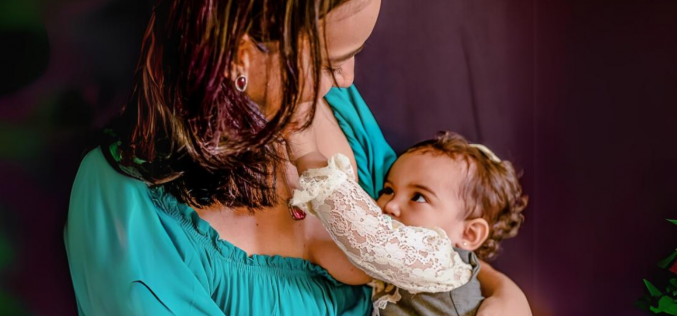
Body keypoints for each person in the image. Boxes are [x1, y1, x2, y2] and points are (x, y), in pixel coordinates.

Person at [64, 0, 531, 314]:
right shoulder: (125, 207)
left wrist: (505, 295)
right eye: (330, 60)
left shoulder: (339, 111)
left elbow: (421, 247)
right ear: (240, 57)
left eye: (355, 53)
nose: (347, 80)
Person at [288, 130, 527, 316]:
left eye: (418, 197)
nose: (390, 205)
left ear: (470, 233)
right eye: (388, 190)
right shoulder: (402, 265)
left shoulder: (438, 257)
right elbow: (341, 257)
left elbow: (371, 240)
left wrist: (309, 156)